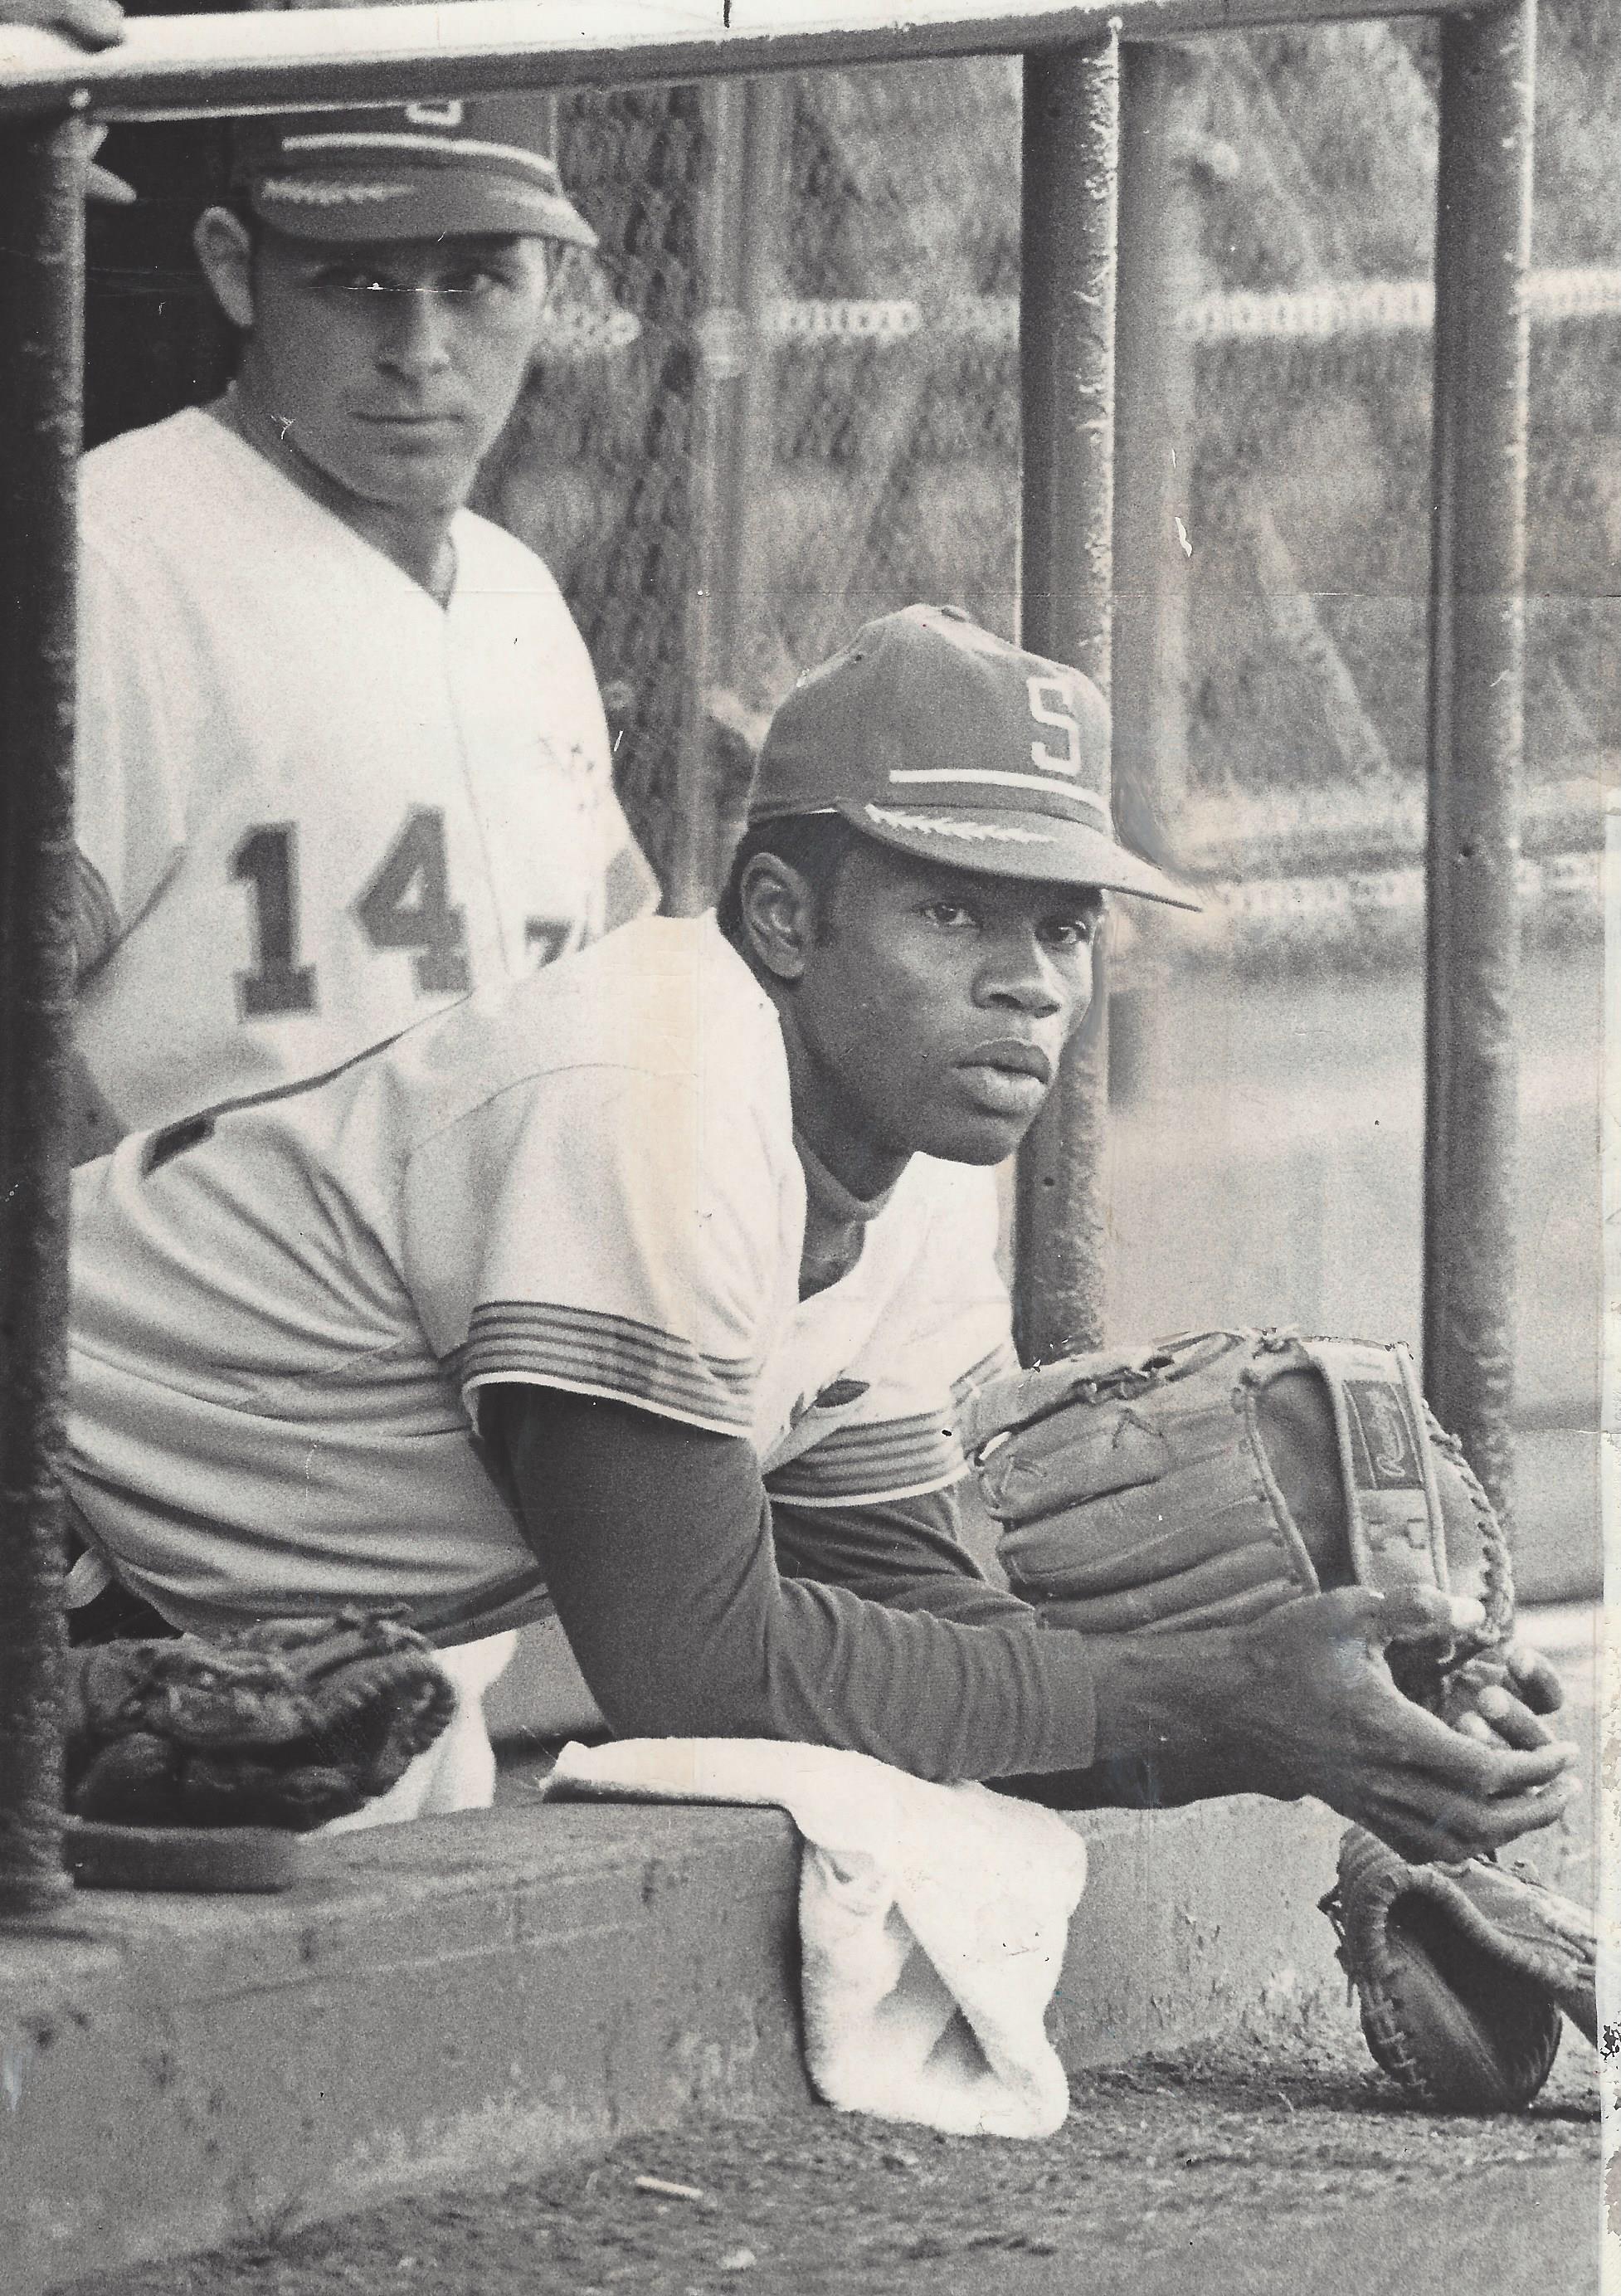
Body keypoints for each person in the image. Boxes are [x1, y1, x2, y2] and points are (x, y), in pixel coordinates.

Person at [61, 607, 1575, 1860]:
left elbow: (897, 1604)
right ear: (785, 917)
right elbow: (699, 1675)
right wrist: (1211, 1697)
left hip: (152, 1610)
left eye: (1061, 927)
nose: (1029, 984)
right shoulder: (655, 1082)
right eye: (952, 913)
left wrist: (1325, 1711)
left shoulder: (910, 1170)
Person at [70, 95, 656, 1148]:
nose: (420, 349)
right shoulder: (110, 558)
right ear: (234, 270)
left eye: (474, 281)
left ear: (551, 286)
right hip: (194, 1255)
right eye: (355, 280)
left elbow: (627, 958)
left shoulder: (517, 590)